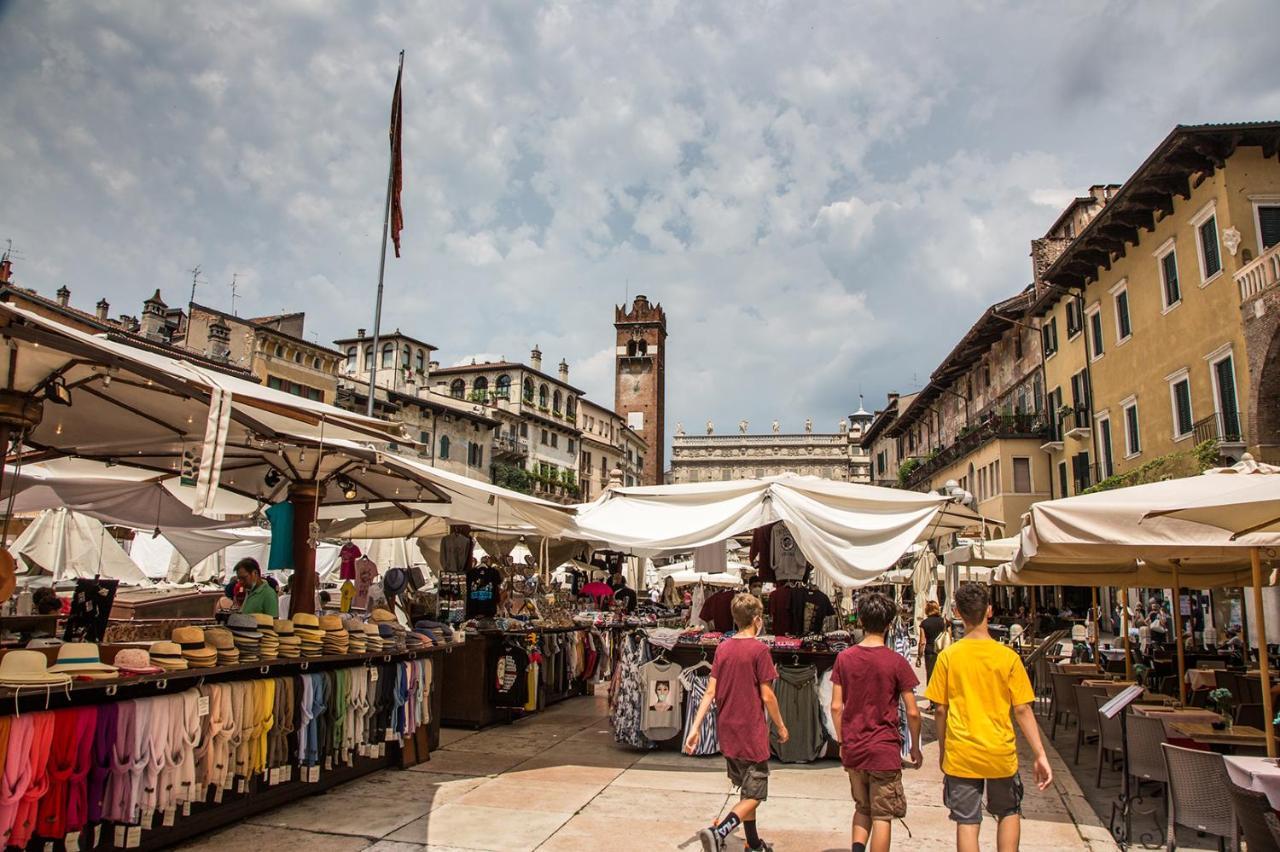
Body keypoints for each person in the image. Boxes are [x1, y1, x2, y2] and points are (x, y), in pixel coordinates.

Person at [925, 583, 1051, 852]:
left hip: (962, 752)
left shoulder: (948, 657)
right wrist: (1040, 753)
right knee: (1008, 812)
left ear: (957, 612)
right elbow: (1022, 709)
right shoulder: (1008, 658)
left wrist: (944, 749)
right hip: (1000, 751)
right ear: (990, 611)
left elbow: (939, 709)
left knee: (967, 821)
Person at [686, 593, 788, 852]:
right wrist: (781, 725)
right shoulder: (760, 650)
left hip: (727, 730)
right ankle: (719, 831)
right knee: (755, 794)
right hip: (750, 731)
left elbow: (709, 692)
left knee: (746, 787)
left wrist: (695, 728)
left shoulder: (723, 647)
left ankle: (754, 844)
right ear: (756, 620)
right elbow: (767, 695)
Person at [831, 592, 921, 852]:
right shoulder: (896, 662)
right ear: (889, 624)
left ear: (860, 620)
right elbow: (913, 712)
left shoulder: (844, 659)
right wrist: (914, 746)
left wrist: (842, 740)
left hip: (854, 746)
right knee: (882, 815)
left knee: (862, 807)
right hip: (884, 749)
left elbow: (836, 706)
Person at [916, 600, 948, 686]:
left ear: (927, 610)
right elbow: (948, 637)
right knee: (943, 676)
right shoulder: (944, 622)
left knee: (930, 676)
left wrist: (919, 655)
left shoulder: (924, 623)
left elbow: (922, 642)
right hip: (943, 651)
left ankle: (932, 697)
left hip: (930, 652)